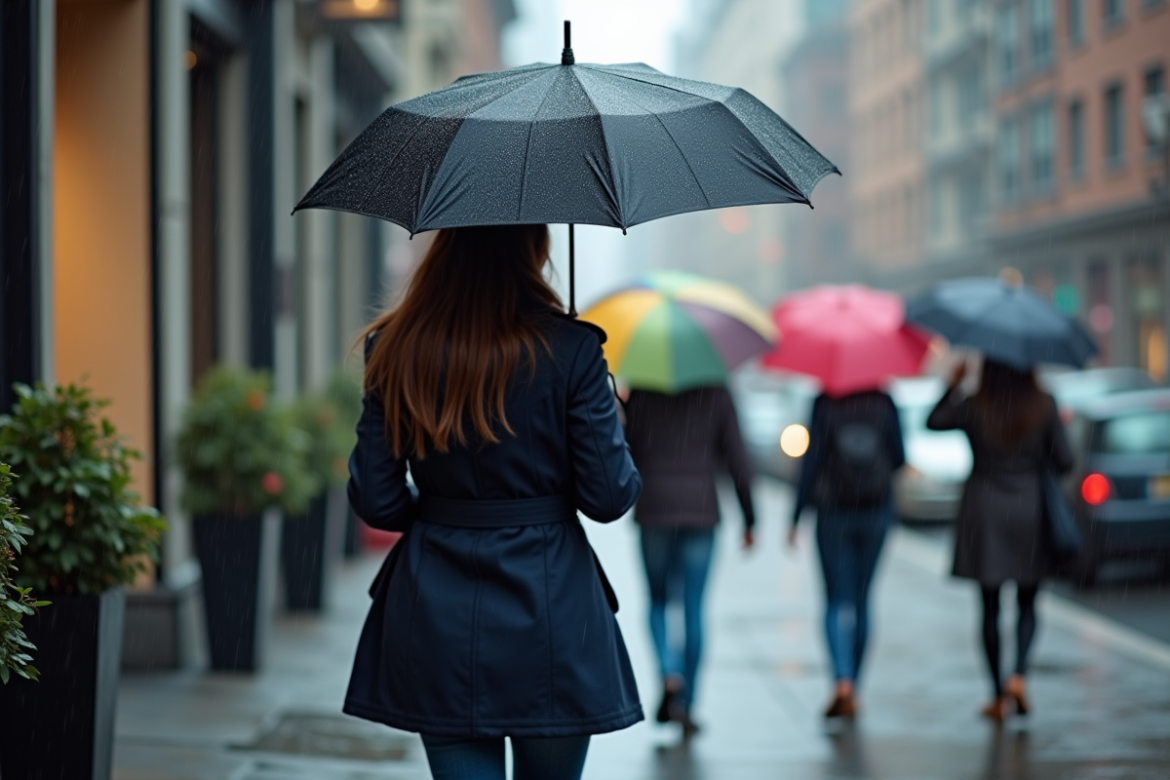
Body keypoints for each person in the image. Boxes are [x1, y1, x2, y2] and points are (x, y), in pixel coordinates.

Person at [344, 225, 643, 780]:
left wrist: (442, 514)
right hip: (553, 611)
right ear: (534, 249)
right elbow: (609, 497)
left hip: (437, 607)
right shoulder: (572, 348)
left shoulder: (396, 347)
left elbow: (377, 500)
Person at [927, 358, 1072, 722]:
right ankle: (1019, 675)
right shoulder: (1043, 404)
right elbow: (1065, 461)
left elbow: (933, 422)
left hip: (985, 508)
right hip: (1029, 507)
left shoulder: (977, 402)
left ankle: (995, 693)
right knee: (1028, 601)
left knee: (989, 606)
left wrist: (952, 384)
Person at [624, 385, 756, 735]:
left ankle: (669, 672)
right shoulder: (717, 393)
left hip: (653, 507)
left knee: (657, 601)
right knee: (694, 608)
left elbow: (623, 449)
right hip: (700, 509)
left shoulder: (642, 391)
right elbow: (737, 457)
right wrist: (750, 516)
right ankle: (688, 702)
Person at [790, 388, 905, 719]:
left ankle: (841, 679)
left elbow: (810, 462)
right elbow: (898, 457)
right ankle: (855, 685)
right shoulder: (885, 402)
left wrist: (796, 515)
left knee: (835, 600)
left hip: (832, 512)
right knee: (864, 599)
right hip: (875, 511)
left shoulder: (825, 402)